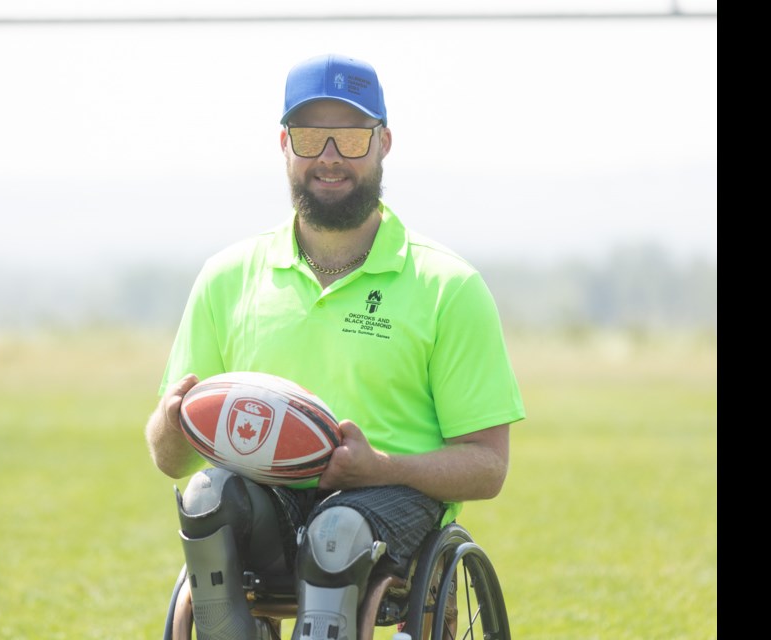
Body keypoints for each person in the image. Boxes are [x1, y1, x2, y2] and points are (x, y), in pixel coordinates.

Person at [145, 53, 526, 640]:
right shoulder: (228, 277)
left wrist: (380, 467)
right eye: (309, 136)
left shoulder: (448, 286)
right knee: (203, 496)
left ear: (383, 143)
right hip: (269, 507)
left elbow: (488, 466)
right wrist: (171, 427)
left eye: (349, 136)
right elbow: (173, 459)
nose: (329, 156)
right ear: (284, 144)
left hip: (391, 511)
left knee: (337, 531)